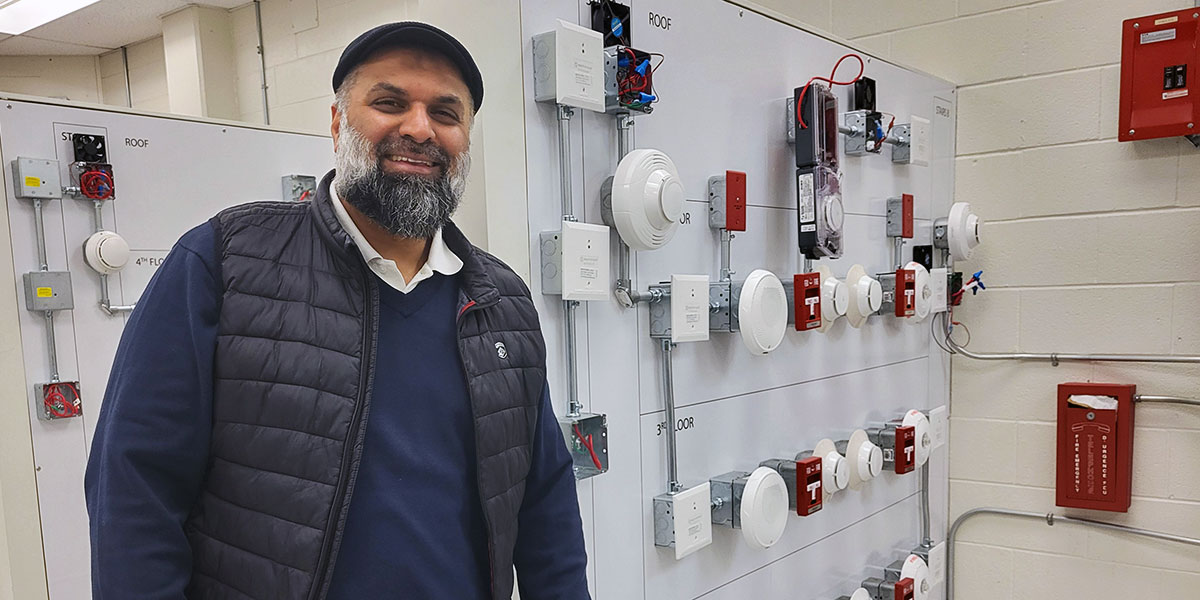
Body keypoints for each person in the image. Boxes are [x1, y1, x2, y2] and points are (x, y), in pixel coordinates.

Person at [85, 21, 590, 600]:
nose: (419, 128)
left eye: (446, 114)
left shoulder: (502, 300)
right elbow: (134, 488)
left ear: (465, 141)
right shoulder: (225, 263)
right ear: (336, 123)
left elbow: (544, 502)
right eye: (389, 102)